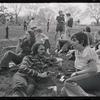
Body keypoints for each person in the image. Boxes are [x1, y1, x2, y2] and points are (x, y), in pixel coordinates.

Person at [61, 31, 100, 96]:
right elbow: (80, 67)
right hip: (87, 76)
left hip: (96, 76)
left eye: (74, 40)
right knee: (64, 91)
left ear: (81, 42)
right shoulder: (77, 51)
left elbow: (94, 69)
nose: (72, 43)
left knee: (68, 82)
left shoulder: (88, 52)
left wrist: (77, 73)